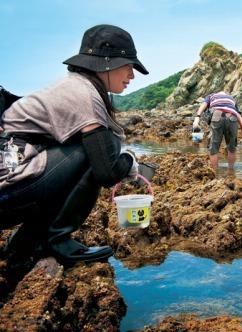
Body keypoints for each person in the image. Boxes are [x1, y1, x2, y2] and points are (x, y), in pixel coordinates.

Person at [0, 24, 149, 265]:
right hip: (8, 185)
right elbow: (107, 171)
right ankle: (56, 241)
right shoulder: (84, 94)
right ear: (107, 63)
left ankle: (25, 243)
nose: (132, 75)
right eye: (129, 67)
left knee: (97, 145)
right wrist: (130, 160)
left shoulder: (75, 85)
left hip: (12, 174)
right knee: (100, 148)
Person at [192, 91, 242, 170]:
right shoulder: (232, 100)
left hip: (216, 115)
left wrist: (197, 117)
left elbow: (203, 106)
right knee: (231, 149)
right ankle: (231, 173)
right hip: (232, 118)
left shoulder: (211, 96)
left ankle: (215, 172)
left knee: (214, 148)